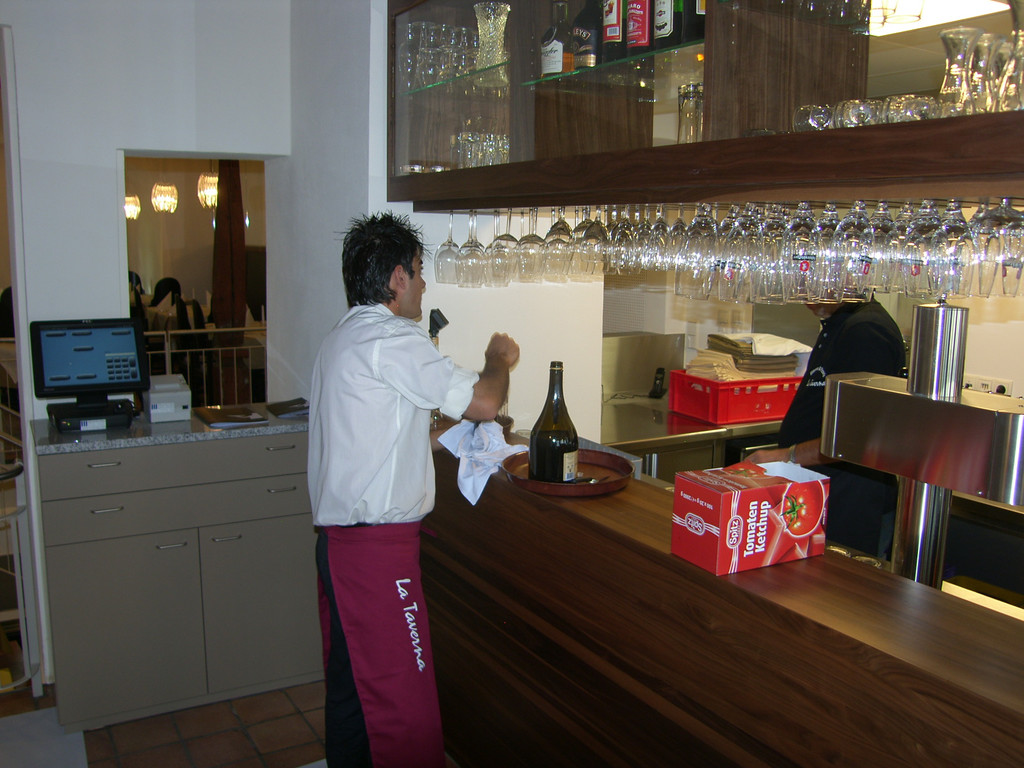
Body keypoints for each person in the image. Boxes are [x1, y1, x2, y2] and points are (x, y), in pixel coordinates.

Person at [307, 212, 519, 768]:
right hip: (375, 556)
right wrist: (498, 360)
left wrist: (449, 436)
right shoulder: (391, 338)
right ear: (397, 277)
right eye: (420, 271)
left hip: (340, 547)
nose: (424, 284)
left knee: (354, 694)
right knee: (404, 702)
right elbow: (485, 400)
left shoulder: (342, 338)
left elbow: (382, 440)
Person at [747, 298, 906, 558]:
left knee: (842, 580)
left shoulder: (866, 331)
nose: (805, 296)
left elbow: (856, 437)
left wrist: (787, 455)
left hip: (851, 500)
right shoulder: (840, 323)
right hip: (822, 492)